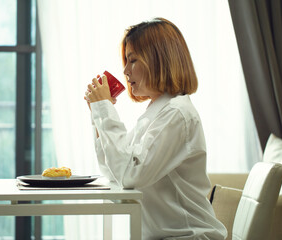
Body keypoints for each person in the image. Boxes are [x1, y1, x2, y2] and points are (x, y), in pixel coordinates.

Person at [84, 17, 227, 240]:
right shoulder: (156, 112)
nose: (125, 70)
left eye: (132, 60)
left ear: (158, 61)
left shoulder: (176, 114)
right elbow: (113, 170)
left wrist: (104, 111)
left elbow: (130, 175)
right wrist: (99, 113)